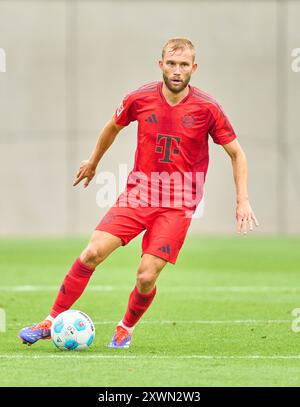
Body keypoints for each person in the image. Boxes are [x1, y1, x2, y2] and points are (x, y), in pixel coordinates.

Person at [19, 38, 259, 349]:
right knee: (92, 252)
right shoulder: (139, 98)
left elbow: (237, 153)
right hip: (139, 194)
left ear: (193, 69)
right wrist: (93, 162)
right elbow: (112, 126)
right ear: (160, 64)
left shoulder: (208, 108)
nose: (176, 71)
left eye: (183, 65)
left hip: (178, 203)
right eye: (171, 64)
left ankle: (125, 328)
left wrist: (242, 200)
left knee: (146, 277)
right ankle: (50, 322)